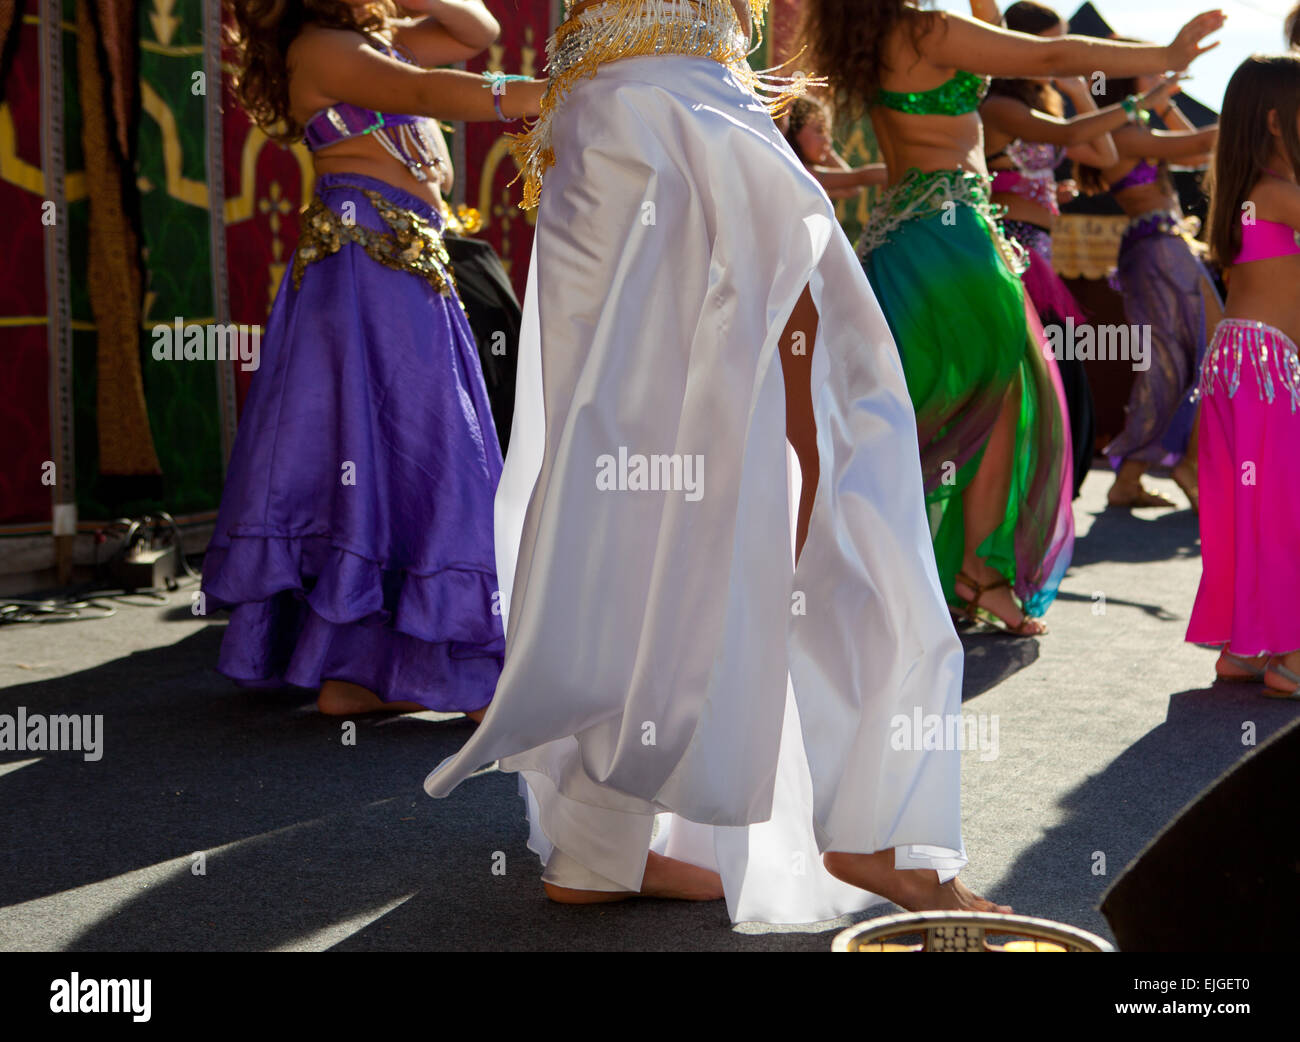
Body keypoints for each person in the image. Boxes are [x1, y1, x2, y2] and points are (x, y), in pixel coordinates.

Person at [427, 0, 1010, 922]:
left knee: (622, 463)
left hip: (611, 115)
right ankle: (865, 812)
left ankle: (599, 838)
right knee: (816, 424)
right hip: (672, 107)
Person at [804, 0, 1223, 635]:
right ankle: (980, 575)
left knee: (911, 410)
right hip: (957, 241)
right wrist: (1164, 58)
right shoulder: (928, 30)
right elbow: (1053, 55)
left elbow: (999, 26)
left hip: (898, 241)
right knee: (1000, 403)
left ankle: (889, 573)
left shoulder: (863, 38)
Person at [204, 0, 543, 718]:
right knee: (431, 451)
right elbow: (424, 93)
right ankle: (455, 672)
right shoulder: (321, 48)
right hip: (367, 270)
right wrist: (553, 95)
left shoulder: (372, 40)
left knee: (392, 459)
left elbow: (476, 31)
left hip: (399, 267)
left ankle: (358, 674)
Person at [974, 1, 1176, 500]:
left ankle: (1035, 486)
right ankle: (1009, 488)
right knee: (1032, 374)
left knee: (1054, 378)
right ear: (1026, 45)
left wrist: (1080, 94)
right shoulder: (998, 105)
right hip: (1010, 249)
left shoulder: (1048, 100)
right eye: (1053, 41)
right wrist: (1135, 104)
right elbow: (1065, 138)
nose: (1063, 53)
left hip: (1039, 250)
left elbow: (1102, 154)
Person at [1187, 53, 1300, 698]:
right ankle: (1289, 654)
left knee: (1251, 505)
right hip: (1266, 364)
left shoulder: (1249, 191)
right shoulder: (1277, 193)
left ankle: (1245, 646)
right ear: (1280, 121)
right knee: (1283, 507)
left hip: (1239, 360)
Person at [1076, 62, 1220, 512]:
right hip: (1160, 250)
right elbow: (1205, 142)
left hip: (1162, 248)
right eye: (1150, 69)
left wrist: (1166, 102)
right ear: (1129, 81)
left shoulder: (1133, 127)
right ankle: (1172, 467)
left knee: (1191, 357)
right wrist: (1261, 105)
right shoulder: (1125, 134)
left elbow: (1198, 156)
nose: (1160, 72)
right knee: (1182, 359)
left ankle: (1143, 474)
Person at [782, 96, 888, 200]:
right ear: (794, 130)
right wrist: (894, 173)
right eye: (820, 131)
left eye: (828, 133)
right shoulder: (800, 172)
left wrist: (828, 152)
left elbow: (852, 189)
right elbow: (858, 178)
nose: (828, 140)